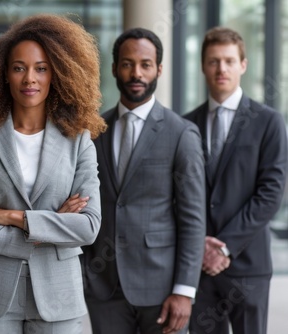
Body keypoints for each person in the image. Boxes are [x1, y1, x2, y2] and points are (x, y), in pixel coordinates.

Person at [0, 14, 106, 333]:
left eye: (41, 68)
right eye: (19, 68)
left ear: (57, 73)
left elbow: (88, 226)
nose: (29, 79)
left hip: (58, 295)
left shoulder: (78, 139)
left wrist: (14, 217)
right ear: (4, 74)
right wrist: (52, 228)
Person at [81, 28, 206, 334]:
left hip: (161, 288)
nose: (136, 72)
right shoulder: (94, 130)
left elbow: (192, 219)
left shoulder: (181, 133)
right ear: (114, 68)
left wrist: (184, 291)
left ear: (159, 69)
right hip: (103, 286)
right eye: (127, 63)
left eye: (145, 64)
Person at [184, 27, 288, 334]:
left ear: (243, 64)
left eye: (229, 61)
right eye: (214, 61)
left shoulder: (269, 122)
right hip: (199, 268)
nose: (221, 69)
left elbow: (270, 194)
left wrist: (224, 247)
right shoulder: (186, 125)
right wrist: (200, 245)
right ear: (203, 66)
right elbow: (179, 193)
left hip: (248, 267)